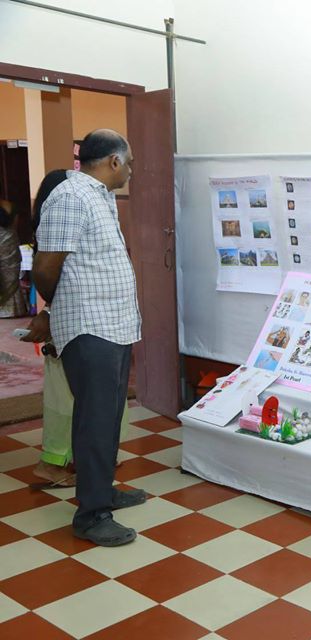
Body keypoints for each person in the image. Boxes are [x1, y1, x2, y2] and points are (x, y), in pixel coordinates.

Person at [33, 129, 145, 547]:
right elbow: (46, 266)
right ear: (114, 161)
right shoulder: (71, 197)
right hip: (88, 326)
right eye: (129, 163)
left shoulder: (101, 196)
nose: (130, 171)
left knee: (108, 414)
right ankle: (91, 515)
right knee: (95, 418)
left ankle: (102, 491)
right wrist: (55, 308)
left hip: (113, 324)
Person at [0, 199, 28, 318]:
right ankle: (14, 310)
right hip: (10, 243)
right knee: (12, 277)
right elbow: (14, 226)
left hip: (6, 243)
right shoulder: (10, 205)